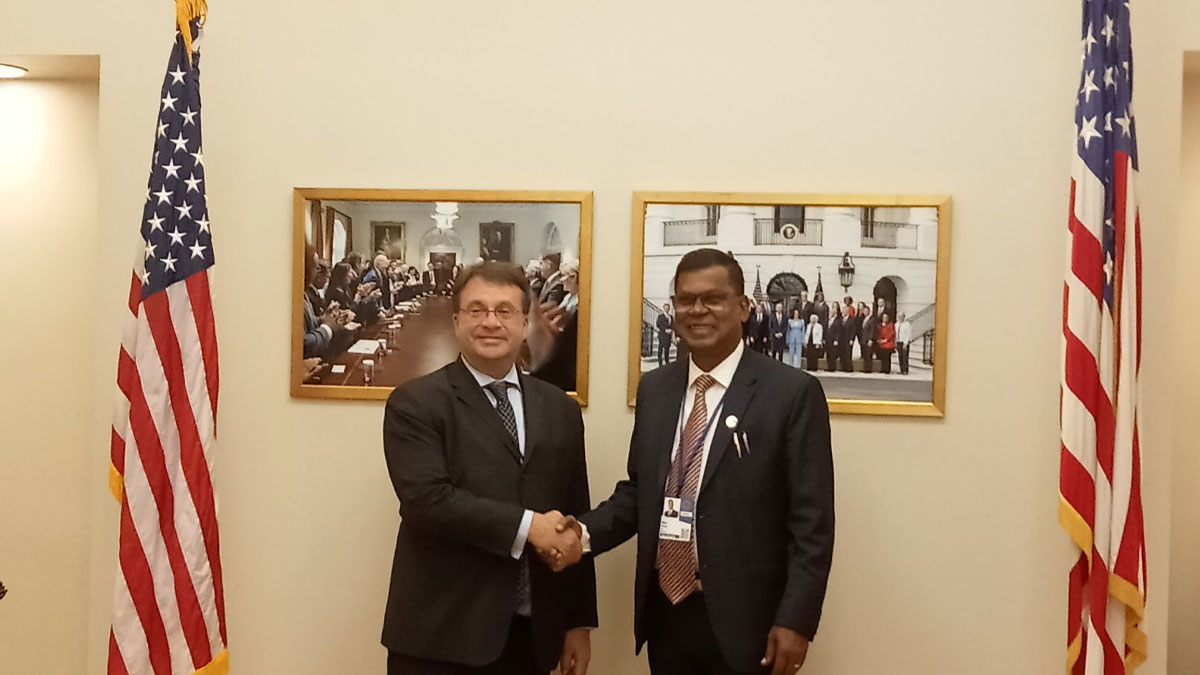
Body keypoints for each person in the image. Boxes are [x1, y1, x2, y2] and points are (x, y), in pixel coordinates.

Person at [562, 248, 834, 675]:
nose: (698, 310)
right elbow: (641, 493)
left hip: (749, 621)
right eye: (686, 299)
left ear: (743, 307)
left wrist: (796, 619)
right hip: (667, 612)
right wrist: (580, 535)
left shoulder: (791, 393)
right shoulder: (656, 389)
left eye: (713, 299)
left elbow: (812, 522)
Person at [381, 262, 597, 675]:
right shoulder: (416, 404)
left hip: (532, 635)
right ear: (457, 321)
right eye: (476, 310)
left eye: (505, 311)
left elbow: (574, 514)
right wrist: (529, 527)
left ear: (525, 322)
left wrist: (578, 622)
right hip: (440, 637)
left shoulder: (560, 409)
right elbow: (427, 500)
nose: (491, 322)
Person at [302, 246, 346, 359]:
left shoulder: (304, 293)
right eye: (316, 267)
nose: (317, 271)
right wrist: (327, 327)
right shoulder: (299, 296)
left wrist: (324, 318)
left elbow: (309, 322)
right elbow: (304, 344)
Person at [825, 302, 844, 372]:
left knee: (833, 353)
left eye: (834, 309)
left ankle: (832, 367)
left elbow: (839, 330)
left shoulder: (838, 320)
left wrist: (836, 339)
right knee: (828, 353)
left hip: (834, 339)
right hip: (828, 338)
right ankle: (829, 366)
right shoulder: (829, 319)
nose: (832, 311)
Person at [859, 304, 876, 374]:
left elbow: (872, 330)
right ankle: (865, 368)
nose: (865, 312)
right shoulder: (864, 319)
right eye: (864, 311)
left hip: (868, 340)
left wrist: (871, 339)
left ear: (869, 311)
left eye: (866, 311)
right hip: (864, 339)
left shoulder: (872, 319)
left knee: (869, 355)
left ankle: (868, 369)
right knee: (865, 355)